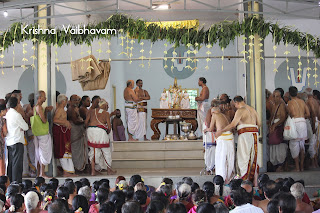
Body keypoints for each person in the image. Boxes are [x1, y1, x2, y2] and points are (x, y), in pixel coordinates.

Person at [216, 96, 261, 184]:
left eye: (234, 105)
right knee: (253, 158)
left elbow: (233, 124)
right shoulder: (253, 110)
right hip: (254, 134)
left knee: (243, 159)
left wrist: (221, 131)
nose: (234, 107)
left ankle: (244, 182)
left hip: (245, 136)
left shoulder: (240, 110)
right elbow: (259, 124)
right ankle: (255, 182)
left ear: (236, 103)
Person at [85, 96, 116, 175]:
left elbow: (85, 123)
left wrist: (92, 127)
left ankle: (93, 171)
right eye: (107, 106)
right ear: (105, 105)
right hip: (101, 131)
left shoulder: (91, 111)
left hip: (90, 131)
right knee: (106, 151)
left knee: (92, 151)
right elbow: (109, 127)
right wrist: (106, 132)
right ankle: (109, 170)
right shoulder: (106, 113)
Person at [204, 100, 234, 183]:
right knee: (229, 159)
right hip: (230, 137)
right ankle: (229, 177)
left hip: (223, 139)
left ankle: (222, 179)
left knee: (221, 159)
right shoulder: (223, 115)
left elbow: (211, 128)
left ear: (213, 111)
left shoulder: (215, 115)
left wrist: (206, 130)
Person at [287, 86, 310, 172]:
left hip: (295, 123)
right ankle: (302, 167)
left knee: (294, 145)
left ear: (289, 93)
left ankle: (297, 167)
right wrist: (301, 116)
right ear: (297, 93)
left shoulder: (290, 102)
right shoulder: (302, 102)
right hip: (303, 122)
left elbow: (291, 113)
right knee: (302, 145)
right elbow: (308, 114)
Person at [5, 97, 28, 183]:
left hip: (9, 141)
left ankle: (10, 181)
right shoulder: (16, 115)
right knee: (17, 164)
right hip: (17, 141)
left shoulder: (8, 113)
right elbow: (25, 127)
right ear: (16, 105)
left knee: (11, 163)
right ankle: (16, 182)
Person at [53, 94, 76, 177]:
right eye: (66, 101)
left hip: (64, 132)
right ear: (63, 101)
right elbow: (55, 120)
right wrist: (65, 122)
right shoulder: (59, 109)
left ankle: (69, 171)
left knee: (66, 151)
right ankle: (66, 171)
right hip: (61, 133)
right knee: (63, 151)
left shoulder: (62, 109)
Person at [33, 90, 53, 178]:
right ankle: (42, 173)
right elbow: (44, 120)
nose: (46, 98)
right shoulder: (39, 107)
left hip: (39, 133)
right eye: (44, 96)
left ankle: (40, 173)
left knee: (39, 153)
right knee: (43, 153)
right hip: (42, 133)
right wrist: (47, 111)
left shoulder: (36, 107)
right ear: (40, 97)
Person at [67, 95, 88, 172]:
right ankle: (76, 167)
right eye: (75, 100)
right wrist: (84, 121)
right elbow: (75, 121)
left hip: (79, 130)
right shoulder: (70, 109)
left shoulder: (76, 108)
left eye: (78, 100)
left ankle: (81, 166)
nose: (77, 102)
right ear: (71, 101)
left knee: (81, 149)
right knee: (75, 149)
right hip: (75, 131)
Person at [269, 90, 287, 172]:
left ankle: (280, 165)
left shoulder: (282, 105)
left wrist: (275, 125)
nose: (274, 98)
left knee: (280, 148)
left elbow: (283, 117)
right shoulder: (273, 105)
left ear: (280, 97)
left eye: (276, 96)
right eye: (273, 96)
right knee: (273, 148)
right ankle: (276, 165)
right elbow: (272, 117)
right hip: (273, 128)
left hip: (278, 128)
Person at [305, 88, 320, 168]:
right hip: (316, 122)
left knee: (312, 143)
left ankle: (314, 164)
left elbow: (313, 114)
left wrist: (313, 125)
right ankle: (314, 163)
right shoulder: (316, 101)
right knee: (314, 143)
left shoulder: (310, 101)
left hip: (314, 123)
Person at [23, 93, 36, 177]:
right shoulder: (27, 107)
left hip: (33, 131)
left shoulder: (31, 107)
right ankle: (31, 170)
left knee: (33, 152)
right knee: (30, 152)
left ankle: (34, 170)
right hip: (29, 132)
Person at [0, 100, 7, 176]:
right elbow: (5, 132)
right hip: (0, 142)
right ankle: (1, 176)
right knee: (1, 160)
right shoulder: (2, 120)